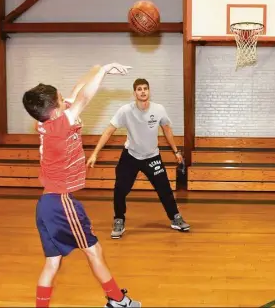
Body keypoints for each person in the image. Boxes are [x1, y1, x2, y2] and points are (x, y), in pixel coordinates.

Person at [22, 63, 141, 308]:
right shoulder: (59, 127)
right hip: (60, 202)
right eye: (59, 99)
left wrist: (95, 67)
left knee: (52, 263)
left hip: (46, 204)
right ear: (55, 112)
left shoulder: (47, 121)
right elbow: (84, 98)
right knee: (93, 250)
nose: (65, 100)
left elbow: (76, 93)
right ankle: (117, 300)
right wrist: (104, 70)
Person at [87, 78, 190, 239]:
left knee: (165, 190)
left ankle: (175, 218)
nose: (143, 91)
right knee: (120, 190)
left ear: (149, 91)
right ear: (134, 92)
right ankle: (119, 220)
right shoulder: (125, 110)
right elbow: (108, 131)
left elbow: (167, 130)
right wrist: (95, 153)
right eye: (139, 89)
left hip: (152, 157)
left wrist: (176, 151)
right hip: (131, 156)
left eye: (145, 88)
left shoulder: (159, 109)